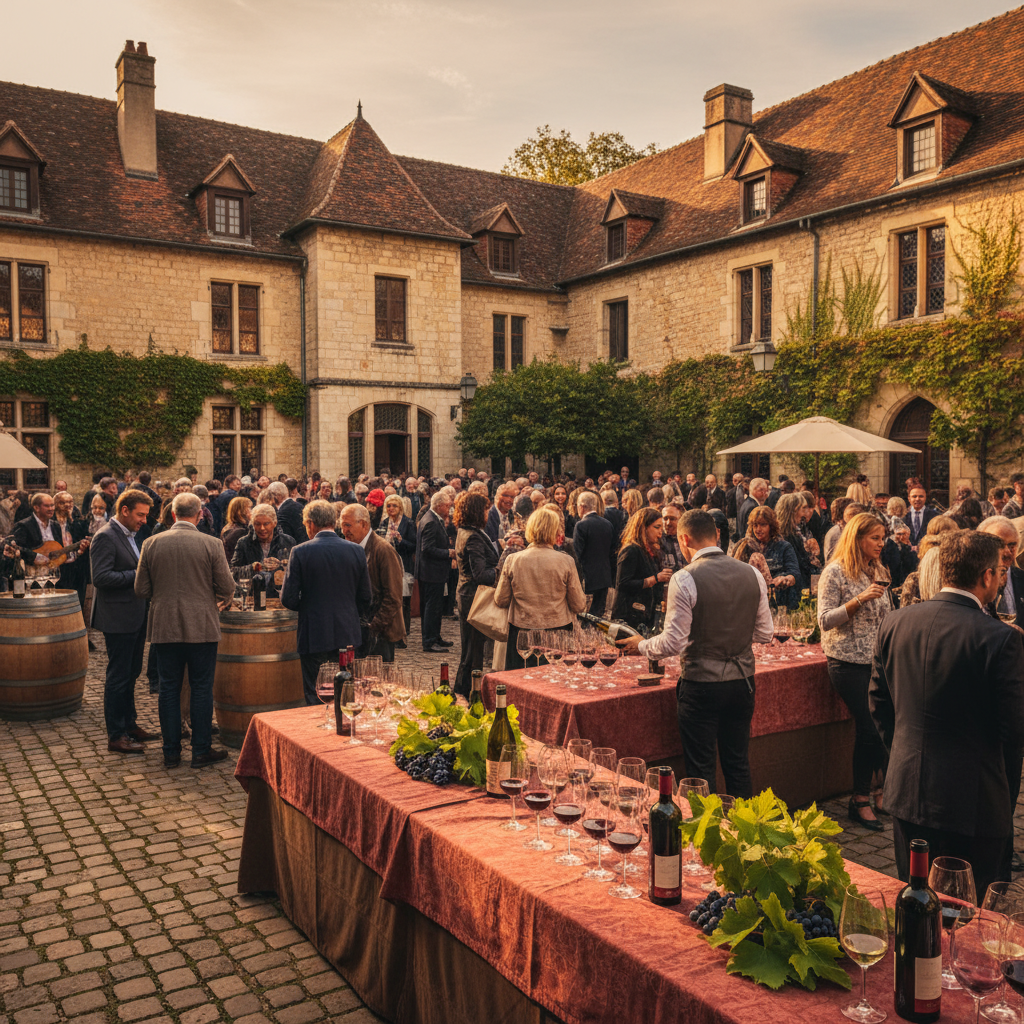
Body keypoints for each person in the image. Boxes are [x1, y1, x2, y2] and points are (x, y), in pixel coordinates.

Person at [870, 530, 1024, 898]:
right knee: (970, 911)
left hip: (909, 791)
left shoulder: (895, 622)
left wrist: (905, 754)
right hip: (973, 802)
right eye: (1001, 573)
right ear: (987, 575)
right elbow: (1014, 729)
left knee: (916, 900)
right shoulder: (1000, 638)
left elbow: (878, 704)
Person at [618, 510, 773, 798]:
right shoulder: (752, 573)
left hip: (702, 685)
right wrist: (732, 632)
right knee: (737, 764)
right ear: (716, 534)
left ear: (684, 539)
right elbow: (765, 634)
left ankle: (707, 837)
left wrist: (641, 645)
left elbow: (673, 642)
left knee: (701, 772)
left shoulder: (684, 578)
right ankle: (745, 835)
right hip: (742, 683)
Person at [135, 493, 235, 768]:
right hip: (201, 625)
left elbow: (141, 589)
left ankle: (170, 752)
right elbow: (227, 587)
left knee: (169, 688)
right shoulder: (211, 544)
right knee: (202, 688)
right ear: (200, 514)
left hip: (165, 625)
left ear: (172, 514)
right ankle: (201, 750)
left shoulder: (151, 543)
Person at [817, 512, 892, 831]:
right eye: (875, 537)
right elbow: (823, 620)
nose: (881, 543)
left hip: (879, 660)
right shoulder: (834, 573)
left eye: (883, 537)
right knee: (870, 728)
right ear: (857, 538)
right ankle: (858, 799)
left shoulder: (878, 569)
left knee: (885, 725)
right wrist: (859, 600)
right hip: (847, 661)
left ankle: (879, 791)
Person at [281, 500, 371, 705]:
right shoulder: (355, 550)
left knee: (316, 693)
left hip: (314, 633)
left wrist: (310, 605)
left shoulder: (301, 551)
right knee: (345, 692)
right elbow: (366, 596)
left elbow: (289, 598)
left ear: (311, 524)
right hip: (347, 631)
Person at [90, 489, 158, 755]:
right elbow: (101, 578)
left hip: (135, 614)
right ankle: (116, 735)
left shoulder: (131, 534)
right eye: (140, 514)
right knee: (118, 676)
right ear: (125, 510)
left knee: (132, 673)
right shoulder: (106, 536)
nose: (144, 520)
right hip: (118, 617)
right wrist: (138, 574)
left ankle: (130, 724)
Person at [978, 516, 1024, 874]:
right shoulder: (976, 580)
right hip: (987, 690)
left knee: (1012, 772)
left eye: (1013, 544)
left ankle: (1006, 846)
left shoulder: (1020, 577)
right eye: (1002, 544)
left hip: (1016, 680)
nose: (1009, 552)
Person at [494, 506, 586, 670]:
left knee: (521, 682)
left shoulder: (513, 560)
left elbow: (501, 600)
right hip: (557, 633)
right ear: (554, 531)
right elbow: (579, 605)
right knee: (553, 684)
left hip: (522, 632)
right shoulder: (565, 561)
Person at [338, 503, 405, 662]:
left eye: (348, 525)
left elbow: (394, 596)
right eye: (342, 526)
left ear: (363, 524)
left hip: (380, 632)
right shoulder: (351, 547)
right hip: (359, 629)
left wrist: (373, 627)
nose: (344, 531)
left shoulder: (383, 550)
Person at [453, 492, 500, 695]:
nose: (487, 513)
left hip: (467, 594)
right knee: (473, 651)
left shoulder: (467, 531)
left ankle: (466, 690)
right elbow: (481, 574)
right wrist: (502, 569)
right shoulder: (472, 536)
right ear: (476, 511)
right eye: (485, 509)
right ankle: (469, 692)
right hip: (474, 597)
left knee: (471, 649)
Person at [612, 508, 673, 632]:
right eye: (657, 527)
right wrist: (656, 579)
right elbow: (623, 584)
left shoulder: (651, 551)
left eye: (661, 528)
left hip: (644, 616)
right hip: (628, 617)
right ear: (643, 527)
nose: (660, 533)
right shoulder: (631, 550)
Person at [416, 490, 455, 654]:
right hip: (431, 573)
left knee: (434, 607)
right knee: (431, 608)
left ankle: (435, 636)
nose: (449, 509)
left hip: (432, 572)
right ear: (439, 506)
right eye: (447, 506)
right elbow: (427, 549)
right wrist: (448, 553)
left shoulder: (433, 518)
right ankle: (430, 641)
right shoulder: (431, 521)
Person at [230, 503, 295, 597]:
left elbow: (295, 573)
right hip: (252, 597)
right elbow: (232, 572)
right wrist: (254, 568)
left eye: (266, 524)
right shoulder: (244, 543)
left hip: (279, 597)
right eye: (257, 524)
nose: (262, 528)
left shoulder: (287, 542)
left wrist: (282, 565)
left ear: (274, 523)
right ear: (252, 524)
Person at [746, 506, 800, 610]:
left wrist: (786, 579)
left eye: (763, 525)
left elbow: (794, 573)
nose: (758, 529)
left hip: (780, 602)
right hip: (755, 604)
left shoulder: (784, 546)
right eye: (755, 525)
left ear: (771, 526)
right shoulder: (748, 547)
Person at [573, 491, 615, 618]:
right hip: (604, 576)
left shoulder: (581, 525)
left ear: (581, 506)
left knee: (584, 618)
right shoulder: (607, 524)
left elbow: (577, 554)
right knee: (599, 617)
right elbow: (612, 551)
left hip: (587, 579)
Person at [736, 477, 768, 541]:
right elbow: (752, 531)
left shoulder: (747, 502)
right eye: (761, 490)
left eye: (765, 490)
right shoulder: (753, 507)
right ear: (754, 490)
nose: (765, 493)